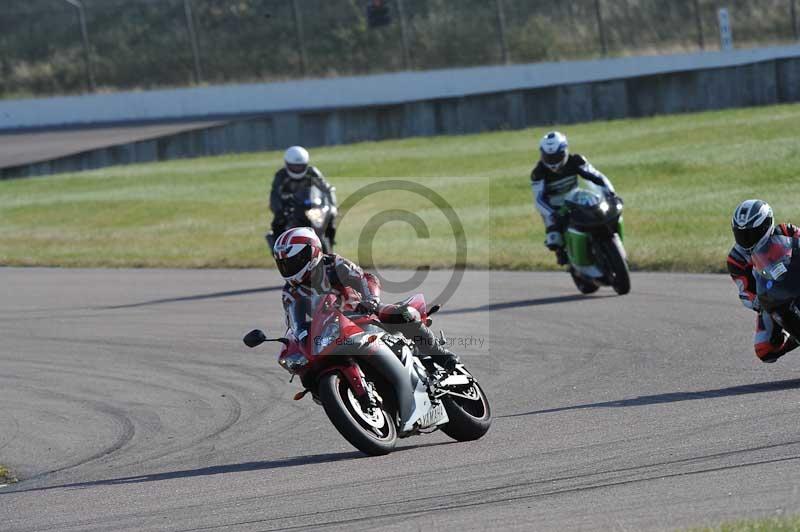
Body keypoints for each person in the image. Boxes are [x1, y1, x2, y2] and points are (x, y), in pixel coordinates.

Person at [272, 226, 459, 370]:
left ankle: (440, 355)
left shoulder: (333, 264)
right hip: (331, 333)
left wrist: (371, 301)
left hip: (361, 312)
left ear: (311, 253)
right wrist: (297, 343)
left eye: (293, 261)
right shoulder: (290, 292)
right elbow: (295, 324)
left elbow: (364, 279)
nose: (288, 268)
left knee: (403, 314)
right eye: (284, 264)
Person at [728, 199, 800, 363]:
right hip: (772, 299)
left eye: (752, 233)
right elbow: (745, 291)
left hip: (796, 282)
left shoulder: (786, 231)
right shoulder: (736, 259)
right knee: (765, 350)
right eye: (742, 234)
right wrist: (757, 301)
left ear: (766, 225)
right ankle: (796, 338)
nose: (747, 239)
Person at [530, 131, 617, 265]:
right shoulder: (538, 173)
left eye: (556, 156)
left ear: (565, 151)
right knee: (554, 240)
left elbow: (596, 176)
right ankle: (564, 255)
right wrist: (552, 214)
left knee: (602, 212)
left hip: (575, 197)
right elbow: (539, 200)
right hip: (553, 207)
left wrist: (610, 193)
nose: (552, 162)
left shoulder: (576, 160)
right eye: (548, 157)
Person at [269, 146, 337, 244]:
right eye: (294, 166)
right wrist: (278, 210)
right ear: (287, 164)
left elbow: (327, 189)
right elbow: (275, 195)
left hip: (311, 206)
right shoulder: (281, 176)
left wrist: (332, 206)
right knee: (278, 223)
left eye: (300, 166)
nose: (297, 169)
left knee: (329, 220)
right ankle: (278, 246)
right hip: (291, 208)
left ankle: (330, 240)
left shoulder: (312, 172)